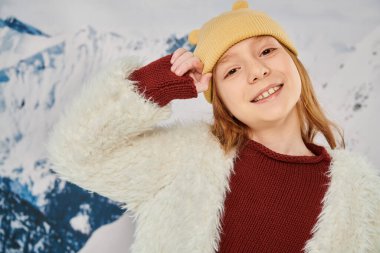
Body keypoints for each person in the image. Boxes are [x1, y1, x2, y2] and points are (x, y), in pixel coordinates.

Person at [46, 1, 380, 252]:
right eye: (231, 71)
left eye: (266, 50)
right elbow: (77, 153)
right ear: (219, 99)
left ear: (294, 61)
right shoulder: (183, 161)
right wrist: (155, 85)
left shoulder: (360, 197)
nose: (257, 71)